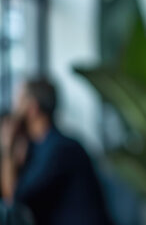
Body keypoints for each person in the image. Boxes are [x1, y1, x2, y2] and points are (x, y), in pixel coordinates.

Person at [0, 78, 111, 225]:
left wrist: (7, 147)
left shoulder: (59, 150)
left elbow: (14, 198)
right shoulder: (41, 146)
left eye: (19, 101)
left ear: (32, 108)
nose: (14, 109)